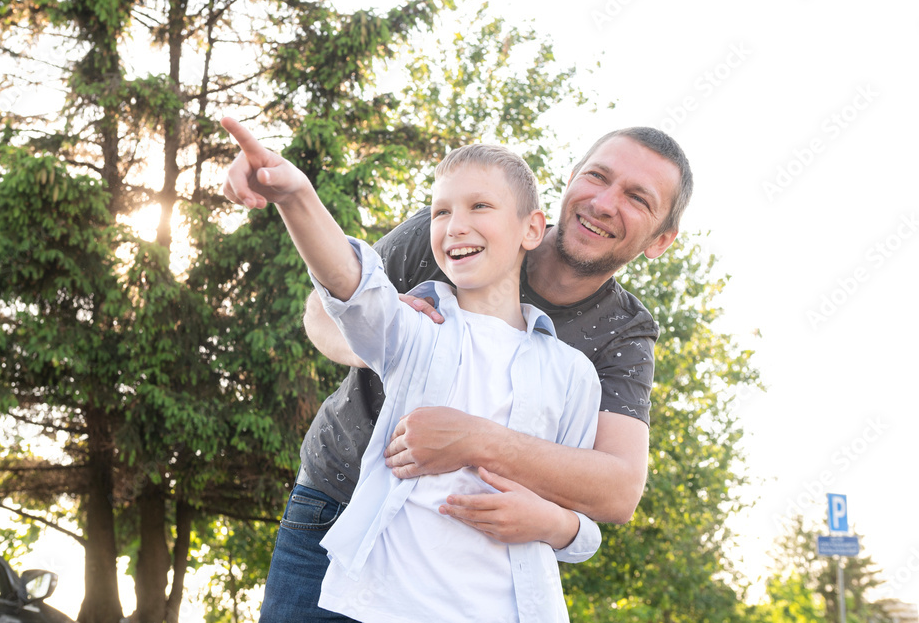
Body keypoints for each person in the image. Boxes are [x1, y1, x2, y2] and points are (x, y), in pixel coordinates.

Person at [222, 121, 693, 621]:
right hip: (337, 506)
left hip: (474, 576)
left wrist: (478, 444)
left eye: (637, 198)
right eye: (597, 176)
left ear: (660, 240)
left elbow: (608, 491)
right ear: (573, 177)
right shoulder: (448, 237)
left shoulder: (591, 357)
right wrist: (389, 343)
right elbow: (340, 294)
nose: (604, 202)